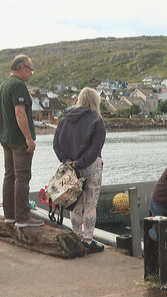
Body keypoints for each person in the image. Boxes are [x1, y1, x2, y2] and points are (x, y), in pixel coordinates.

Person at [53, 87, 106, 254]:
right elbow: (96, 147)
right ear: (95, 101)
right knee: (90, 205)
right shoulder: (97, 119)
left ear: (79, 99)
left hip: (70, 168)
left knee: (75, 204)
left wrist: (69, 162)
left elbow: (56, 144)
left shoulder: (64, 119)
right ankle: (88, 240)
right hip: (91, 167)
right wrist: (81, 162)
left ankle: (77, 238)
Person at [0, 54, 43, 228]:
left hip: (5, 138)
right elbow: (19, 113)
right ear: (23, 68)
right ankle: (23, 218)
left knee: (9, 176)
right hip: (19, 140)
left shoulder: (4, 85)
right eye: (30, 69)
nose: (31, 73)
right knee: (22, 177)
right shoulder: (18, 85)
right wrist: (28, 138)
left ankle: (9, 216)